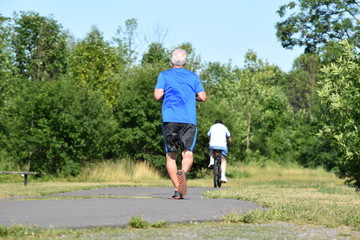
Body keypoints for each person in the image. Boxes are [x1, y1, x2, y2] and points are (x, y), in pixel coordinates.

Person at [154, 49, 207, 199]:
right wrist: (192, 95)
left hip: (170, 118)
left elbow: (157, 95)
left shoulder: (164, 75)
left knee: (171, 155)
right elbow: (203, 97)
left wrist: (168, 93)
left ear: (171, 61)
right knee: (187, 152)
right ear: (185, 62)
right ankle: (183, 173)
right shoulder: (193, 76)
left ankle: (178, 189)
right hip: (188, 119)